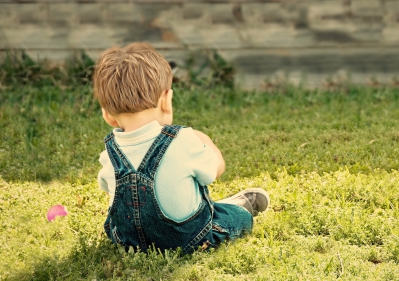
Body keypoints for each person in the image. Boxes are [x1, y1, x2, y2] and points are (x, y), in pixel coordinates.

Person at [93, 42, 270, 254]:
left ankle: (216, 208)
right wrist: (207, 142)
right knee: (237, 218)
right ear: (166, 100)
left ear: (108, 115)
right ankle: (232, 207)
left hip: (128, 243)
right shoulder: (184, 140)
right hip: (187, 240)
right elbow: (214, 172)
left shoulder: (108, 154)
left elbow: (110, 191)